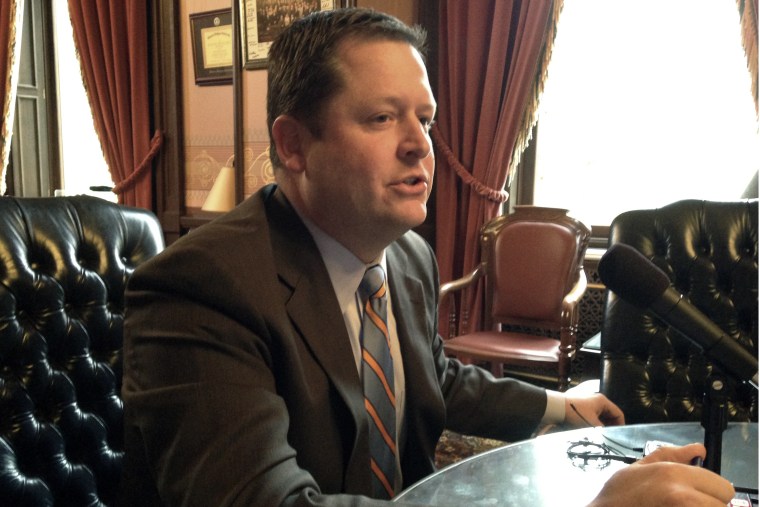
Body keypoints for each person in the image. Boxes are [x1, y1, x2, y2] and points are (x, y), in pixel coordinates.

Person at [119, 8, 736, 506]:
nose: (420, 146)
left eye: (426, 119)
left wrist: (558, 405)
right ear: (294, 144)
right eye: (383, 118)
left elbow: (430, 376)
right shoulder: (200, 288)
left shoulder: (406, 256)